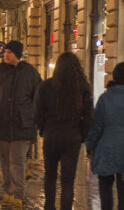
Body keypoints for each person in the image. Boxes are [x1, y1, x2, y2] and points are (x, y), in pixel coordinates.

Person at [0, 40, 41, 209]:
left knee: (17, 161)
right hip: (1, 123)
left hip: (22, 125)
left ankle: (17, 194)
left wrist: (37, 123)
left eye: (10, 52)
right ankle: (7, 192)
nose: (6, 54)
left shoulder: (30, 73)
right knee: (4, 161)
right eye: (5, 51)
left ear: (18, 54)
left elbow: (39, 100)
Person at [34, 52, 94, 210]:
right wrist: (82, 135)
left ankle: (49, 206)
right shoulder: (82, 87)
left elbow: (38, 113)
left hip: (51, 135)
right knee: (68, 180)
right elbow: (88, 116)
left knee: (50, 176)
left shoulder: (46, 86)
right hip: (72, 137)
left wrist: (43, 129)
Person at [86, 62, 124, 210]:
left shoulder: (105, 98)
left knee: (105, 187)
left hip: (106, 149)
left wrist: (90, 145)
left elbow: (96, 126)